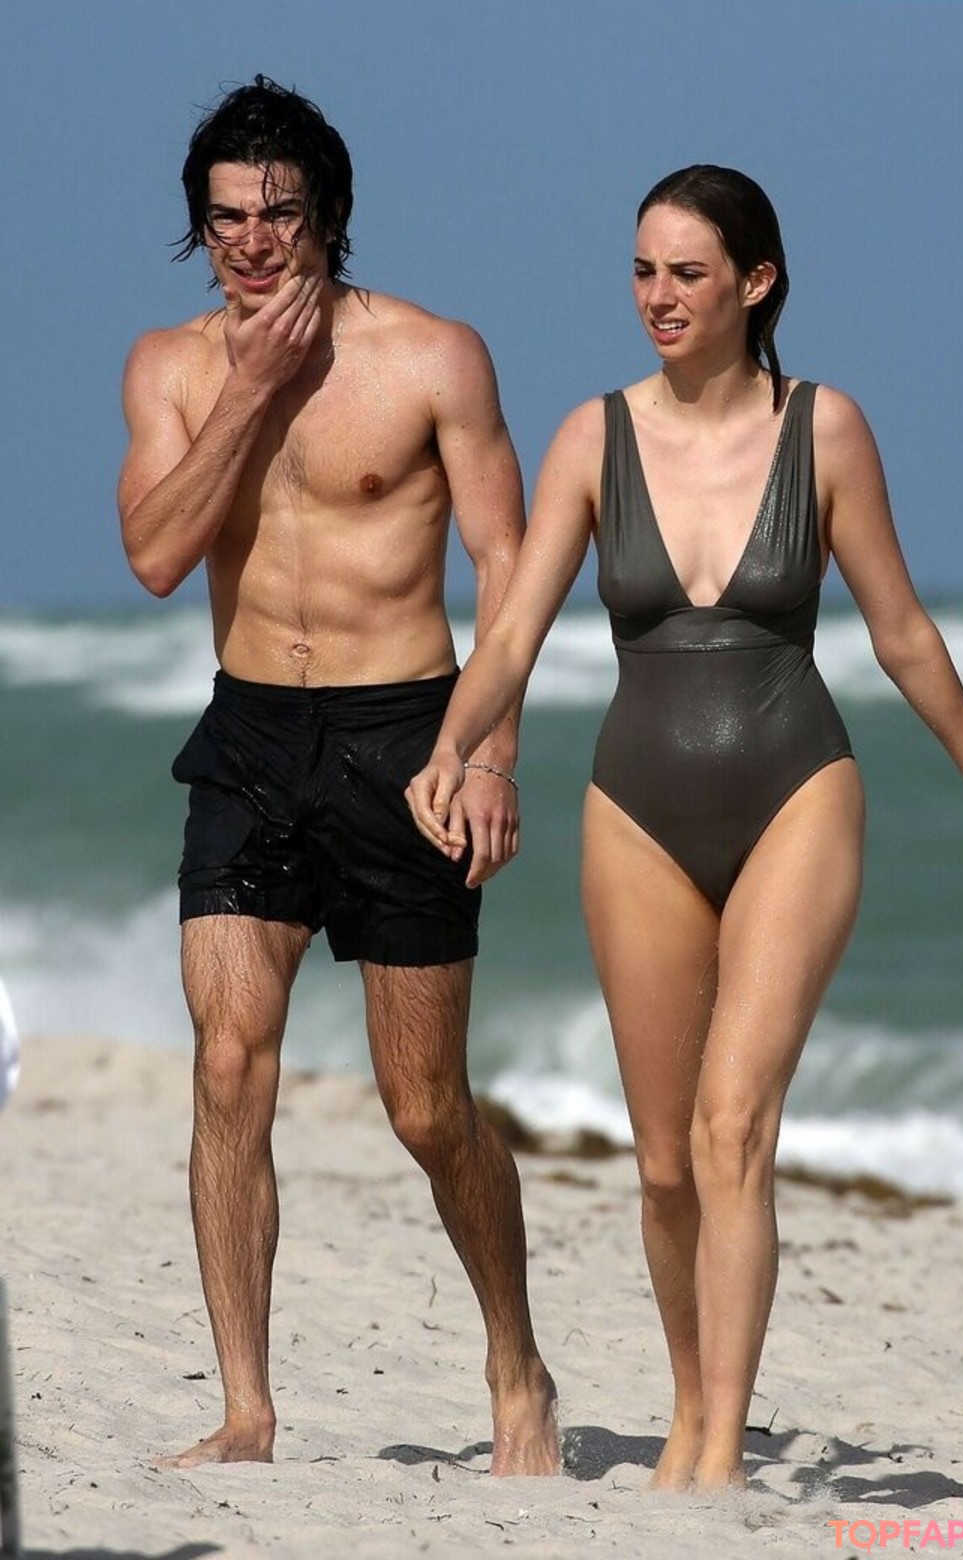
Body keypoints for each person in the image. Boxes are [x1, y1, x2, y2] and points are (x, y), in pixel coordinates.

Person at [406, 164, 963, 1492]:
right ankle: (695, 1411)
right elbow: (513, 633)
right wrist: (451, 745)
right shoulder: (593, 438)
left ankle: (719, 1458)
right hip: (635, 810)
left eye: (687, 273)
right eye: (643, 270)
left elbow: (902, 631)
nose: (658, 296)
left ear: (756, 282)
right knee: (661, 1166)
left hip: (797, 790)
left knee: (732, 1128)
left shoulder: (827, 430)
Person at [118, 76, 559, 1475]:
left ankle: (516, 1361)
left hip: (407, 740)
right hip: (251, 739)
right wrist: (249, 391)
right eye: (227, 220)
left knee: (425, 1108)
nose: (253, 244)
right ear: (201, 228)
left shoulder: (433, 357)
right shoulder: (171, 368)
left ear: (331, 215)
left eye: (281, 215)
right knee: (227, 1061)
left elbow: (510, 563)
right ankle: (247, 1410)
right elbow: (155, 556)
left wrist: (489, 751)